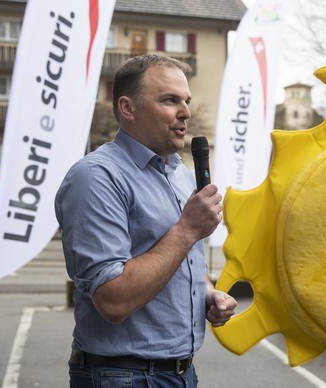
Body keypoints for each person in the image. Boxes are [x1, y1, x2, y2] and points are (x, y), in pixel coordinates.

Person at [55, 53, 237, 387]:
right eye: (170, 100)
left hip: (181, 372)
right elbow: (113, 299)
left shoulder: (181, 176)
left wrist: (207, 292)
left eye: (186, 101)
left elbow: (181, 261)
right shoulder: (96, 178)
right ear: (128, 108)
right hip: (121, 376)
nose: (186, 113)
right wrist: (187, 230)